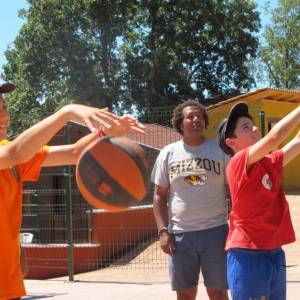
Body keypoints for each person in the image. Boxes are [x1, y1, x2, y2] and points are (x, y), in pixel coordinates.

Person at [0, 82, 145, 300]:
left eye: (3, 107)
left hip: (7, 280)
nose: (4, 115)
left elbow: (75, 152)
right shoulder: (11, 155)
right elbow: (16, 152)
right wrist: (66, 112)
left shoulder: (8, 153)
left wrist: (106, 132)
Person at [217, 102, 300, 300]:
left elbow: (297, 143)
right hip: (247, 254)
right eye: (246, 127)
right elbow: (275, 138)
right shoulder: (237, 162)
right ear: (231, 142)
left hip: (274, 251)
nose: (254, 128)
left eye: (253, 124)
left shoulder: (268, 163)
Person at [152, 99, 229, 300]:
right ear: (180, 124)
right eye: (190, 116)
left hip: (216, 231)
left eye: (200, 116)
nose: (197, 119)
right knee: (185, 293)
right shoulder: (168, 153)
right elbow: (159, 196)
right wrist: (163, 232)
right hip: (180, 235)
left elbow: (233, 190)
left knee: (218, 291)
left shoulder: (220, 151)